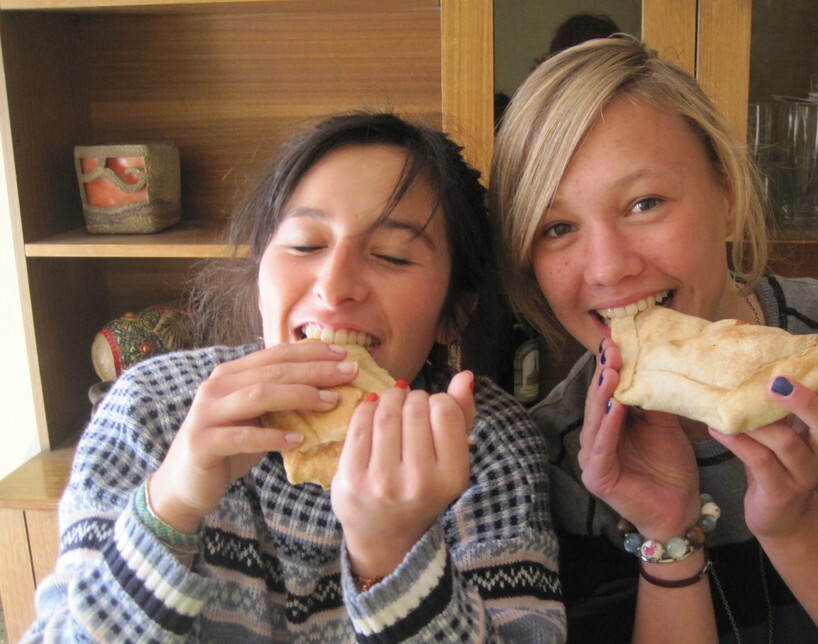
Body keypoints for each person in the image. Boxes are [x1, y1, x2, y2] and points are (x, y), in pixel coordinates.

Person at [490, 35, 818, 643]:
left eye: (644, 203)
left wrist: (795, 525)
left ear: (728, 197)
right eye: (558, 227)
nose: (608, 268)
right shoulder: (555, 461)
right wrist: (668, 536)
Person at [25, 112, 565, 642]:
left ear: (455, 311)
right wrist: (171, 508)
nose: (334, 286)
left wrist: (392, 554)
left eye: (392, 256)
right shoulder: (155, 409)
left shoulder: (484, 448)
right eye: (305, 244)